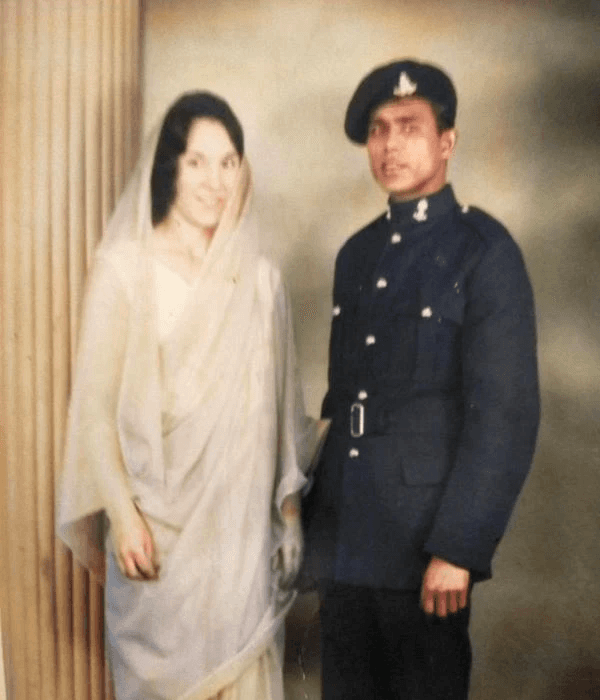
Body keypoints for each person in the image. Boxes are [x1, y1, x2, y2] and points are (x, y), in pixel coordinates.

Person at [56, 91, 317, 700]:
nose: (215, 181)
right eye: (197, 162)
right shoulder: (125, 271)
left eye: (228, 163)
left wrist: (289, 519)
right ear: (168, 167)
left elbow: (283, 418)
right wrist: (123, 517)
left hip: (239, 546)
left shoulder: (260, 282)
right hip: (159, 537)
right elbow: (94, 413)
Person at [302, 59, 540, 699]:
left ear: (447, 142)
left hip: (426, 550)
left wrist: (459, 548)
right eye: (378, 129)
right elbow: (341, 401)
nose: (390, 145)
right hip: (346, 545)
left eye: (409, 127)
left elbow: (504, 416)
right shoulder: (356, 255)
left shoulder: (484, 252)